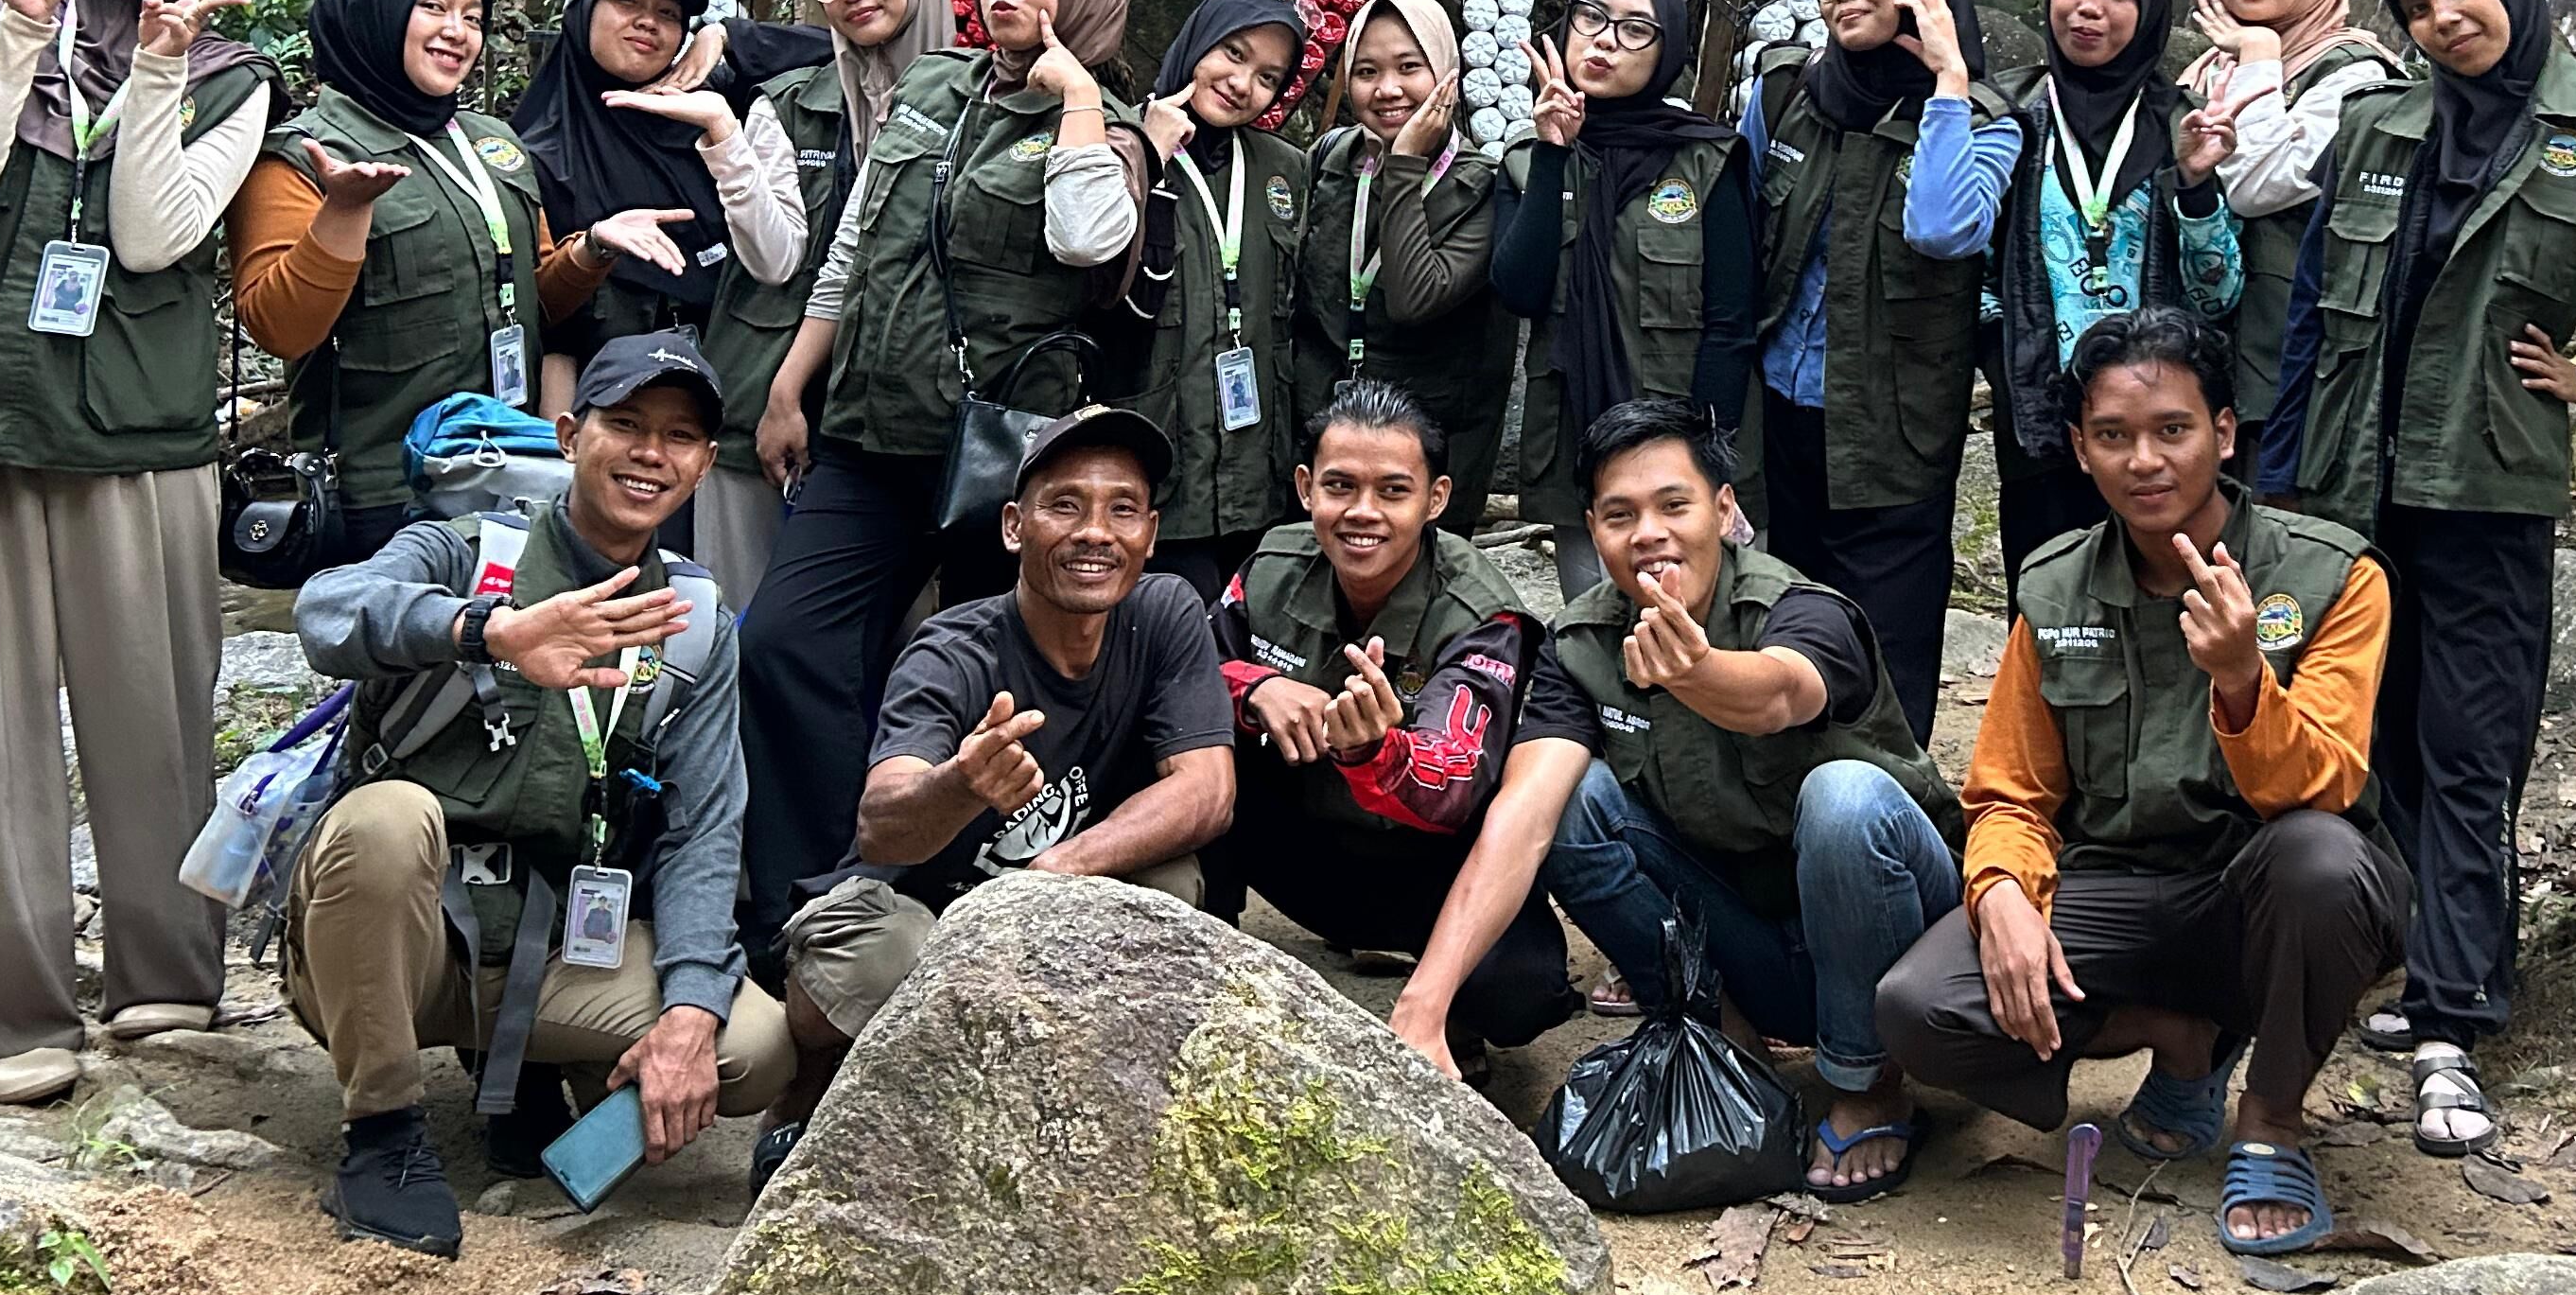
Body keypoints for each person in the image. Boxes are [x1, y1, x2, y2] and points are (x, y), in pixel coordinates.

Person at [1880, 307, 2401, 1249]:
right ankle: (2179, 1038)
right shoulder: (2055, 585)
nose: (2145, 460)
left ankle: (2272, 1123)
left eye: (2173, 430)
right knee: (1918, 1010)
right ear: (2079, 451)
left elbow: (2325, 784)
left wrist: (2244, 681)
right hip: (2115, 891)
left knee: (2324, 861)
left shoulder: (2333, 576)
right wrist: (2000, 893)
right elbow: (2010, 791)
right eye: (2114, 437)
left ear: (2225, 433)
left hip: (2262, 890)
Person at [0, 0, 273, 1105]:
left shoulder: (233, 78)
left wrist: (157, 81)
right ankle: (9, 1017)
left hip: (138, 438)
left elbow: (156, 236)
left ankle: (165, 977)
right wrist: (13, 36)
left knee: (155, 714)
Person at [286, 333, 796, 1257]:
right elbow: (324, 612)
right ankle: (385, 1138)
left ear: (702, 463)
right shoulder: (469, 550)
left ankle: (520, 1074)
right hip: (394, 940)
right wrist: (488, 632)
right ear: (569, 435)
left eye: (679, 437)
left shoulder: (692, 625)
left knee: (748, 1045)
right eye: (627, 425)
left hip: (554, 942)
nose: (651, 453)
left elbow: (704, 830)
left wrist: (687, 1010)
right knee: (389, 820)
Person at [1390, 398, 1964, 1199]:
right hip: (1753, 942)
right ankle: (1722, 1035)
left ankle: (1869, 1079)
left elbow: (1780, 696)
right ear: (1593, 530)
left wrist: (1695, 675)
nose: (1649, 533)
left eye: (1674, 505)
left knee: (1845, 797)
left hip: (1904, 947)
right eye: (1620, 515)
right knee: (1571, 800)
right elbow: (1523, 819)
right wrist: (1426, 1001)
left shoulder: (1800, 608)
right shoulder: (1585, 644)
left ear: (1724, 511)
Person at [2260, 0, 2576, 1155]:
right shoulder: (2380, 125)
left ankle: (2455, 1014)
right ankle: (2435, 953)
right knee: (2379, 738)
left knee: (2473, 744)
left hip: (2488, 488)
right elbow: (2313, 304)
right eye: (2416, 3)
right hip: (2357, 485)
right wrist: (2279, 480)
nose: (2443, 20)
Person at [737, 0, 1146, 941]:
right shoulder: (932, 85)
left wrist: (1080, 101)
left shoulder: (1111, 126)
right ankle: (818, 886)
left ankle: (949, 899)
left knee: (983, 681)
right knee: (787, 641)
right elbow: (855, 247)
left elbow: (1092, 241)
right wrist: (792, 385)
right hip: (868, 431)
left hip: (998, 455)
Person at [767, 406, 1234, 1178]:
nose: (1095, 532)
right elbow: (884, 827)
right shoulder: (951, 649)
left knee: (1171, 884)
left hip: (1050, 895)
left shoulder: (1165, 611)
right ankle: (819, 1091)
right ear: (1015, 526)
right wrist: (960, 784)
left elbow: (1207, 792)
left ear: (1149, 535)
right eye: (1065, 505)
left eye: (1122, 509)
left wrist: (1059, 872)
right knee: (876, 962)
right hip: (917, 906)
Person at [237, 0, 679, 561]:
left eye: (472, 17)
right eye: (434, 7)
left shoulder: (490, 143)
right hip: (386, 490)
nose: (457, 32)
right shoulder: (304, 153)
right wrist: (344, 212)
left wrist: (593, 250)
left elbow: (534, 300)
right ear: (380, 12)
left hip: (507, 467)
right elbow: (280, 328)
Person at [1205, 380, 1575, 1075]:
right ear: (1306, 486)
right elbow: (1183, 672)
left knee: (1522, 994)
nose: (1362, 513)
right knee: (1193, 758)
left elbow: (1457, 780)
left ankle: (1450, 1009)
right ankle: (1200, 965)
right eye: (1340, 486)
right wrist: (1258, 689)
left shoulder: (1480, 613)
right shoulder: (1272, 566)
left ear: (1435, 499)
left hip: (1426, 875)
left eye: (1393, 492)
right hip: (1302, 849)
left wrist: (1377, 751)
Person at [1737, 0, 2021, 736]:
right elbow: (1742, 226)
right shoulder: (1788, 93)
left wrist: (1948, 81)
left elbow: (1944, 226)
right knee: (1776, 637)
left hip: (1895, 435)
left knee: (1886, 670)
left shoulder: (1990, 121)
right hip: (1780, 423)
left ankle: (1890, 834)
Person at [679, 0, 966, 599]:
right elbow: (775, 258)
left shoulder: (980, 101)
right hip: (764, 392)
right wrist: (725, 139)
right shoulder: (791, 100)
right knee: (742, 614)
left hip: (911, 418)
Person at [1989, 0, 2248, 579]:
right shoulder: (2011, 118)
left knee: (2171, 605)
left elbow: (2219, 295)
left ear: (2152, 6)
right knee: (2049, 616)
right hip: (2045, 434)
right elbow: (1977, 277)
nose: (2088, 8)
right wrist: (2009, 357)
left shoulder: (2182, 123)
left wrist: (2195, 183)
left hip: (2158, 436)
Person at [1488, 0, 1756, 599]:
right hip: (1580, 448)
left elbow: (1731, 324)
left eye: (1635, 29)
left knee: (1698, 641)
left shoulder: (1709, 159)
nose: (1604, 40)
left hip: (1684, 451)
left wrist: (1702, 460)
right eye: (1592, 17)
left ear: (1668, 53)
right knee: (1597, 636)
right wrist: (1554, 149)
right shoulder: (1529, 162)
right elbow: (1519, 291)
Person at [511, 0, 825, 426]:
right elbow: (550, 324)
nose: (648, 22)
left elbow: (842, 48)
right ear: (581, 12)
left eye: (668, 12)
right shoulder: (538, 153)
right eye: (627, 2)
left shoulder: (707, 111)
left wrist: (726, 36)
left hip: (734, 400)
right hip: (609, 409)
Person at [2185, 0, 2402, 443]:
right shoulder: (2208, 69)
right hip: (2205, 363)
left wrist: (2260, 52)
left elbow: (2260, 186)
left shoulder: (2354, 74)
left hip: (2300, 365)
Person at [1125, 0, 1317, 604]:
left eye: (1268, 77)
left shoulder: (1283, 170)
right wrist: (1148, 157)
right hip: (1157, 466)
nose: (1243, 84)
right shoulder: (1122, 142)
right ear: (1198, 40)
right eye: (1234, 54)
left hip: (1258, 474)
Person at [1289, 0, 1506, 533]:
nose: (1387, 90)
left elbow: (1416, 298)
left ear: (1448, 75)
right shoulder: (1331, 161)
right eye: (1366, 71)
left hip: (1425, 448)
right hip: (1326, 430)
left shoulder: (1482, 186)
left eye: (1410, 67)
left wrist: (1406, 162)